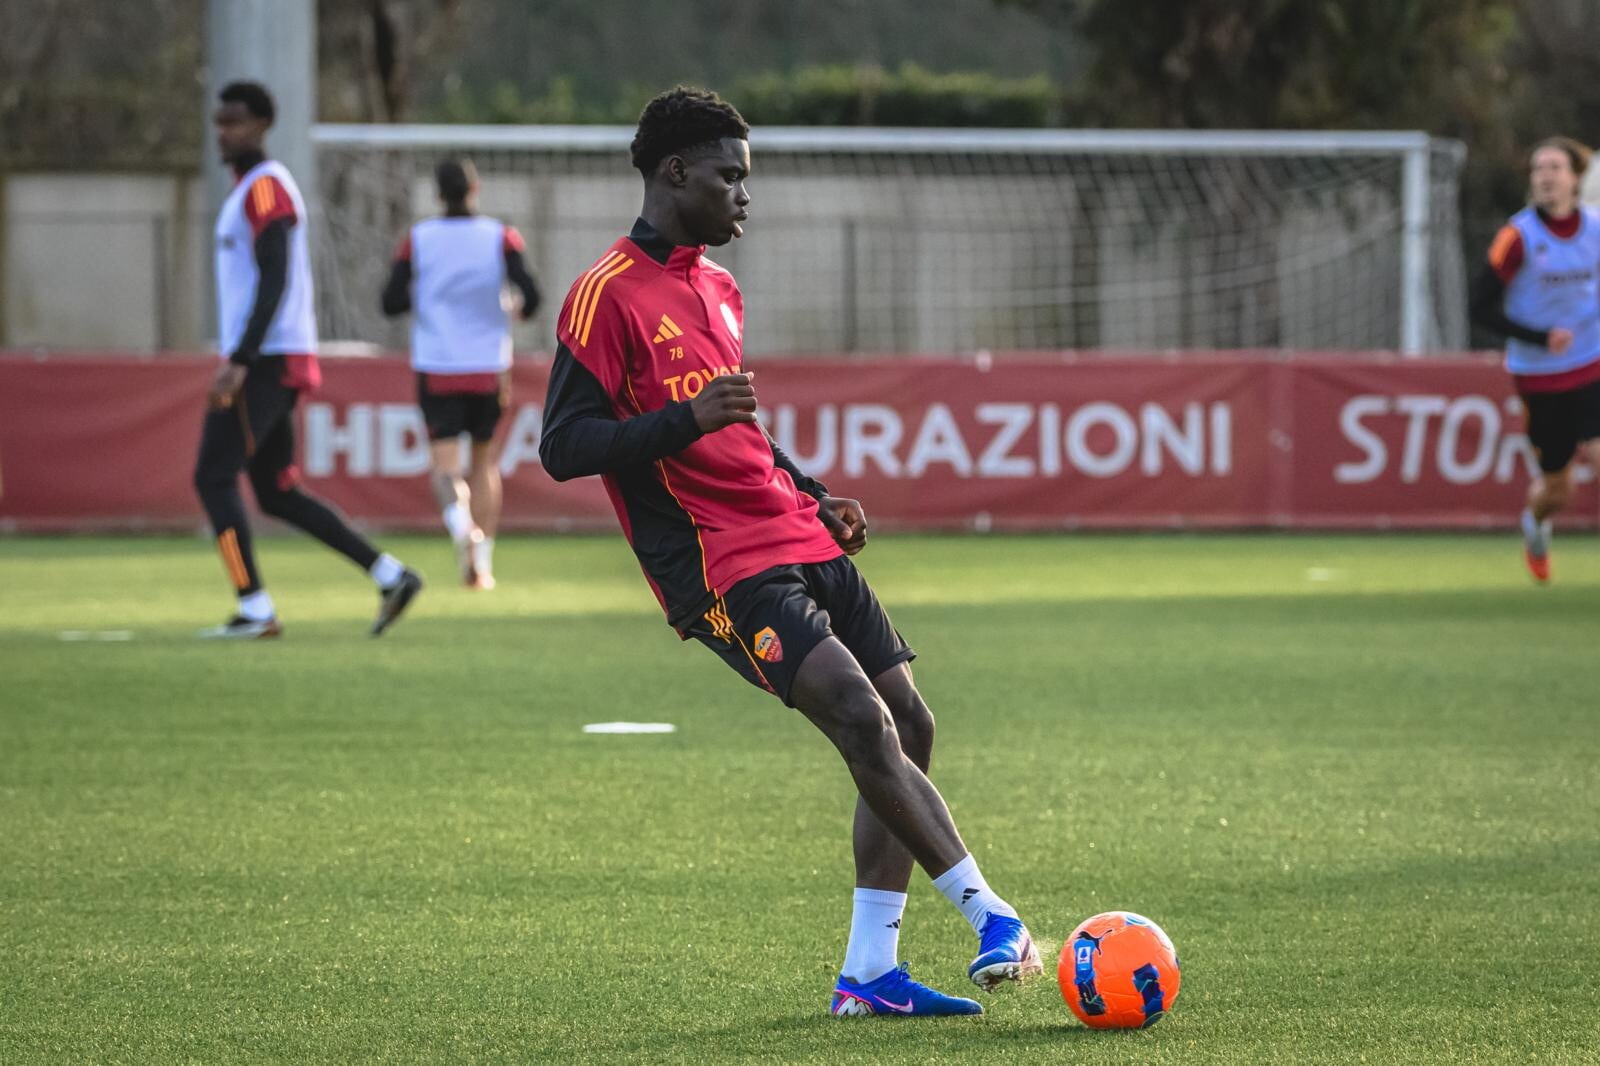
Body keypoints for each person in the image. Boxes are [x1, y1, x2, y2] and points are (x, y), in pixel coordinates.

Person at [539, 86, 1039, 1018]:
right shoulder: (605, 294)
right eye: (729, 176)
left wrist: (813, 492)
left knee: (910, 724)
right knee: (859, 717)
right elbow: (563, 446)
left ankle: (870, 974)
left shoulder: (719, 289)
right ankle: (991, 914)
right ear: (674, 173)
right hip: (719, 563)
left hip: (792, 530)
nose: (744, 195)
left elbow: (738, 430)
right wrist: (684, 418)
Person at [194, 80, 422, 638]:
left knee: (213, 476)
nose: (223, 131)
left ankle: (254, 607)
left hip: (266, 359)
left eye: (234, 121)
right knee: (275, 491)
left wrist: (241, 357)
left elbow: (274, 274)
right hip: (273, 356)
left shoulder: (264, 187)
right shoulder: (249, 188)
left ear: (262, 125)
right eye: (219, 121)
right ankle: (390, 575)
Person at [381, 159, 540, 588]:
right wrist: (518, 309)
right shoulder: (500, 236)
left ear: (437, 195)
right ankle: (482, 565)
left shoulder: (419, 239)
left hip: (438, 365)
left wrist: (428, 297)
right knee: (484, 462)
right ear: (475, 188)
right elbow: (531, 293)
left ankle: (461, 527)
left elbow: (390, 301)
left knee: (445, 467)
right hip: (489, 366)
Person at [1470, 135, 1600, 583]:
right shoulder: (1518, 237)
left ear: (1576, 178)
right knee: (1559, 490)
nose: (1545, 177)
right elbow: (1478, 307)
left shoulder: (1596, 229)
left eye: (1554, 168)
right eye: (1538, 169)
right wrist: (1540, 337)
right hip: (1541, 378)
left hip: (1593, 363)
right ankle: (1535, 522)